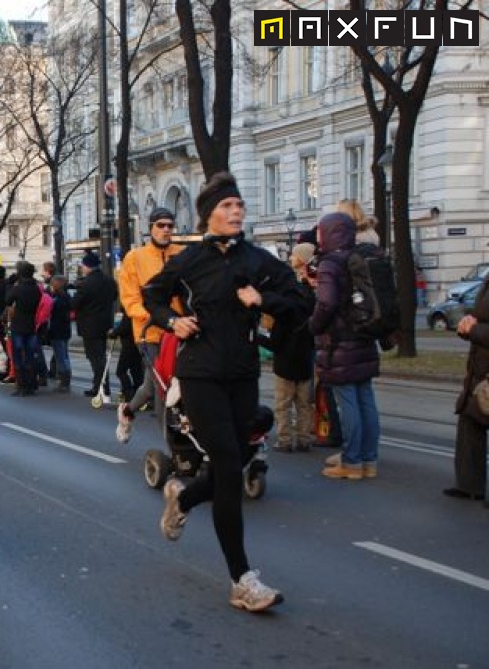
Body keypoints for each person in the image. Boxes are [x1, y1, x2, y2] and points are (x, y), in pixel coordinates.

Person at [145, 172, 309, 612]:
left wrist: (264, 302)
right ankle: (242, 580)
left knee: (231, 463)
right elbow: (152, 295)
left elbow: (300, 303)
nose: (236, 212)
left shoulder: (258, 260)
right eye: (226, 206)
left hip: (242, 374)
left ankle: (184, 495)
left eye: (239, 205)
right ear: (209, 215)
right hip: (198, 373)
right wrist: (171, 321)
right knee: (228, 465)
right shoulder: (188, 260)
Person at [309, 212, 381, 480]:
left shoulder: (330, 263)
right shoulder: (360, 256)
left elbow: (326, 303)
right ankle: (368, 459)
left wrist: (313, 326)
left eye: (319, 231)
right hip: (364, 337)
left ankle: (351, 461)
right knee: (366, 400)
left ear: (329, 233)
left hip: (339, 342)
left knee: (348, 402)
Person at [115, 208, 185, 443]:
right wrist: (153, 315)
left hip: (179, 331)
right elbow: (129, 299)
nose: (166, 230)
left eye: (170, 226)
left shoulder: (182, 255)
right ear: (151, 228)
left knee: (153, 384)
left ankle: (127, 411)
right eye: (161, 225)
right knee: (162, 386)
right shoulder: (135, 258)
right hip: (150, 333)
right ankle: (171, 445)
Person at [446, 278, 489, 503]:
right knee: (469, 420)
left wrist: (475, 329)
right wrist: (466, 323)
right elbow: (479, 315)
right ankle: (469, 485)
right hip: (479, 367)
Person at [271, 243, 316, 452]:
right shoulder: (311, 298)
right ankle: (304, 438)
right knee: (305, 404)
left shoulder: (284, 311)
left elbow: (275, 341)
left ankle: (285, 439)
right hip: (305, 359)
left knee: (283, 404)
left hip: (285, 362)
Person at [71, 251, 117, 401]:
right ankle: (102, 385)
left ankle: (100, 387)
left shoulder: (86, 284)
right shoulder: (109, 281)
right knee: (101, 356)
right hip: (104, 323)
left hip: (89, 325)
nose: (82, 268)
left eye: (83, 265)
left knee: (95, 358)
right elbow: (114, 296)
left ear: (88, 266)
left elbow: (75, 303)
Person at [4, 261, 42, 396]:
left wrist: (10, 284)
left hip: (18, 325)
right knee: (30, 355)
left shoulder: (18, 288)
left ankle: (21, 386)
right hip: (31, 324)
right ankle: (31, 385)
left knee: (18, 356)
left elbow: (7, 300)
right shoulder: (36, 288)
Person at [48, 275, 72, 392]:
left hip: (57, 330)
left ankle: (64, 382)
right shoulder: (67, 296)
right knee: (64, 356)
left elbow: (53, 313)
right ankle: (65, 380)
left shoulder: (57, 298)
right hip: (65, 329)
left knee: (60, 357)